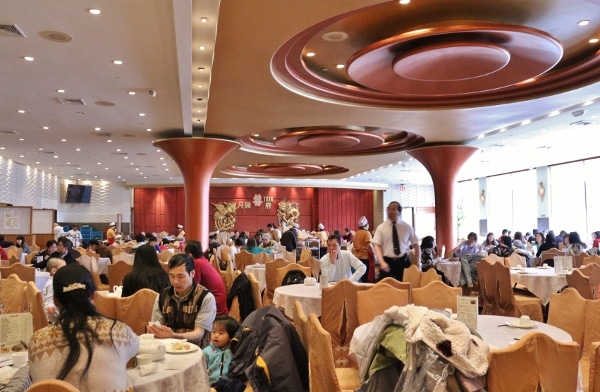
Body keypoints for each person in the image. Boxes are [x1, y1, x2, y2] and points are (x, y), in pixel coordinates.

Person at [29, 264, 138, 391]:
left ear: (55, 300)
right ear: (93, 295)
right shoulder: (117, 331)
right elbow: (135, 349)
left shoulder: (37, 341)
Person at [148, 254, 217, 347]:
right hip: (168, 347)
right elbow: (157, 325)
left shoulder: (205, 297)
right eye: (172, 276)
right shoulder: (163, 296)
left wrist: (174, 336)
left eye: (180, 276)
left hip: (196, 349)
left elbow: (199, 333)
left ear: (192, 273)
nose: (175, 281)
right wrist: (154, 330)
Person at [372, 201, 420, 281]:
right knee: (384, 288)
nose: (390, 211)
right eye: (389, 209)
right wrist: (381, 262)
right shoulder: (381, 227)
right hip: (387, 261)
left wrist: (418, 264)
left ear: (399, 212)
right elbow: (377, 246)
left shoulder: (407, 227)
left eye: (393, 209)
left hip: (403, 261)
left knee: (405, 287)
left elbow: (416, 245)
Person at [184, 240, 228, 315]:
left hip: (215, 310)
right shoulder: (203, 260)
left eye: (184, 254)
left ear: (190, 255)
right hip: (218, 304)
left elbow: (192, 289)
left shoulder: (197, 264)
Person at [202, 315, 240, 386]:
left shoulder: (234, 351)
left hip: (228, 387)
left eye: (220, 333)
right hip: (210, 386)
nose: (216, 335)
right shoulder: (206, 352)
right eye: (213, 332)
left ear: (230, 336)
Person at [352, 216, 377, 282]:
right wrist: (374, 255)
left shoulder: (356, 233)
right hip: (365, 257)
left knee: (359, 276)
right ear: (366, 225)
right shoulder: (367, 233)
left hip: (357, 256)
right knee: (366, 276)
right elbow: (370, 245)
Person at [42, 257, 66, 323]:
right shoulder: (52, 283)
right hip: (52, 319)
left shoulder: (46, 280)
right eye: (63, 269)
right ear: (54, 271)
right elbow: (50, 301)